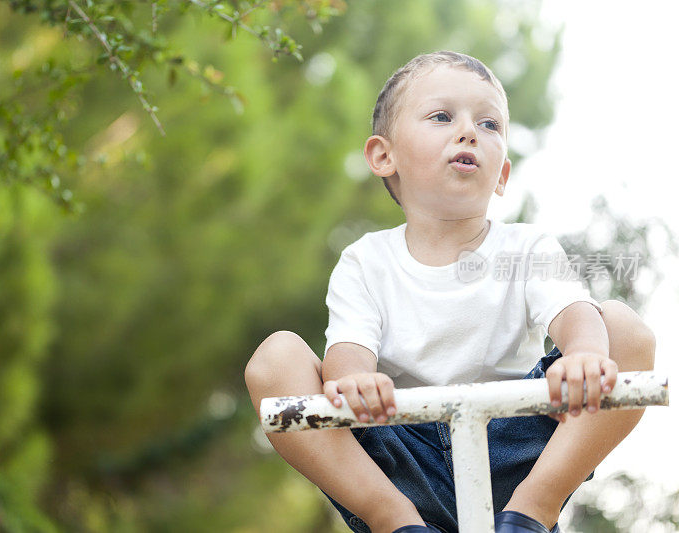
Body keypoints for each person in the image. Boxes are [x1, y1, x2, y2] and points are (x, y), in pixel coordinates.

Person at [243, 50, 656, 533]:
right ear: (383, 155)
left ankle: (535, 508)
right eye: (442, 117)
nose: (469, 132)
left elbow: (570, 310)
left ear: (501, 175)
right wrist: (353, 379)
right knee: (274, 358)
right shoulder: (365, 260)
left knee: (625, 330)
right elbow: (347, 353)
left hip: (519, 446)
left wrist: (584, 353)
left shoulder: (525, 246)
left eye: (490, 124)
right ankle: (390, 519)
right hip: (400, 455)